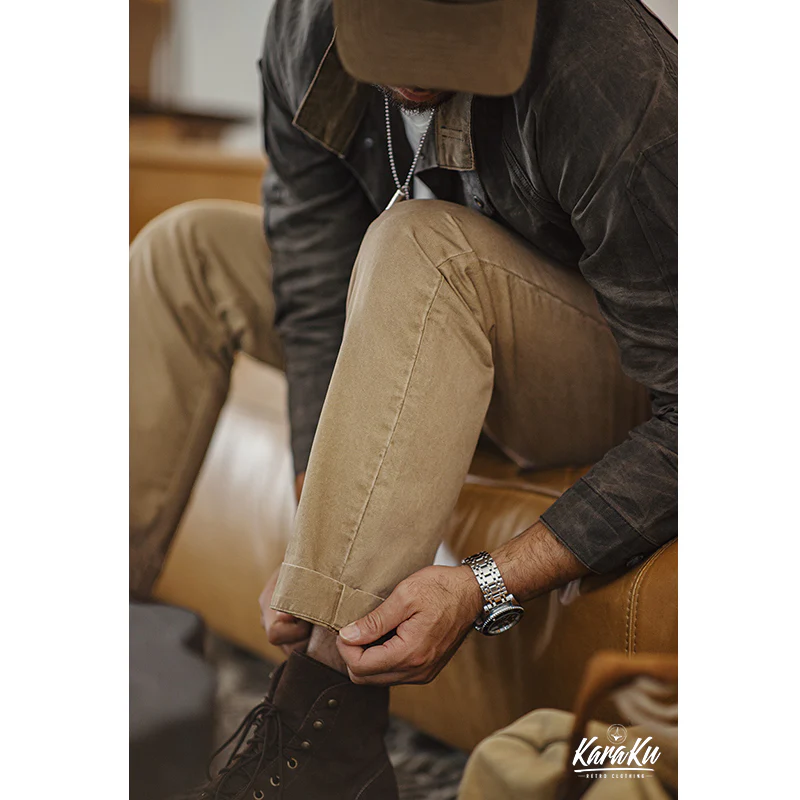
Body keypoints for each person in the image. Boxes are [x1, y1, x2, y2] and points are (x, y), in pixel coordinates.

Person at [130, 0, 677, 797]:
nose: (417, 73)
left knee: (418, 242)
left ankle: (327, 735)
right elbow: (314, 272)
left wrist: (489, 582)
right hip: (423, 322)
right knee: (183, 250)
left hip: (594, 371)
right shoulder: (306, 31)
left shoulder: (611, 75)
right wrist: (317, 523)